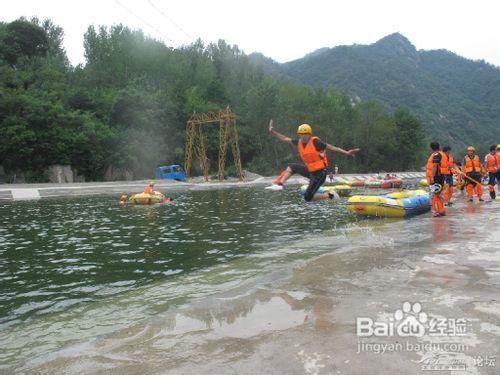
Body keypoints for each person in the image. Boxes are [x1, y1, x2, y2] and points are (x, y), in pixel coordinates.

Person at [268, 120, 360, 201]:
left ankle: (330, 195)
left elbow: (332, 147)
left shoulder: (316, 142)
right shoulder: (299, 142)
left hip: (320, 174)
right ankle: (280, 184)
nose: (303, 136)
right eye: (301, 134)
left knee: (307, 197)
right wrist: (273, 132)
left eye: (306, 134)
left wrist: (347, 152)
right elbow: (285, 138)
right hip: (310, 171)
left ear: (309, 134)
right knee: (292, 167)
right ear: (299, 135)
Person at [426, 142, 447, 217]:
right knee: (438, 194)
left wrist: (432, 177)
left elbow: (435, 166)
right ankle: (440, 210)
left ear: (431, 148)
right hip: (441, 176)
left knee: (437, 194)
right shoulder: (442, 154)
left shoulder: (436, 155)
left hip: (436, 177)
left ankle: (440, 211)